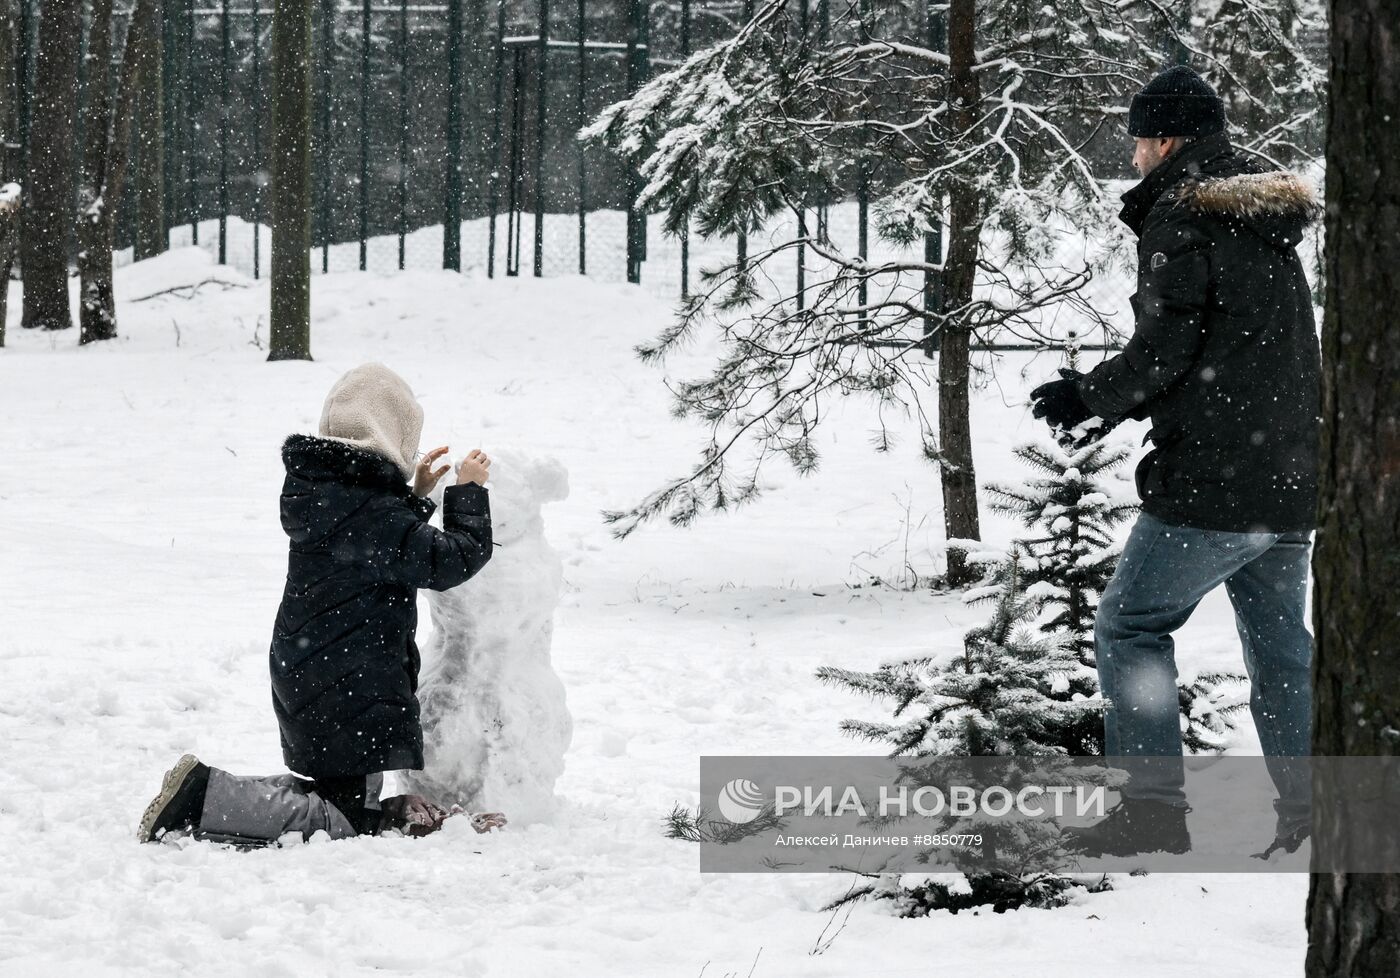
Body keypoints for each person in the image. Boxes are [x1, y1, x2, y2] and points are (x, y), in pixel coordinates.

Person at [1028, 66, 1321, 859]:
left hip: (1216, 483)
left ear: (1165, 139)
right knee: (1282, 650)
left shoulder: (1185, 216)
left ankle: (1151, 809)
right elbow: (1237, 349)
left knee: (1131, 625)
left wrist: (1088, 397)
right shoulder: (1260, 217)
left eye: (1138, 139)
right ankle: (1316, 813)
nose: (1133, 156)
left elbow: (1166, 348)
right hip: (1289, 479)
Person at [138, 363, 507, 845]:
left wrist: (413, 496)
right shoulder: (370, 513)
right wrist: (470, 493)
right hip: (349, 680)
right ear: (390, 432)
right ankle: (202, 799)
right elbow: (448, 560)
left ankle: (204, 791)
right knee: (343, 818)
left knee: (335, 794)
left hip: (319, 670)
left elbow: (379, 545)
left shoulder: (328, 494)